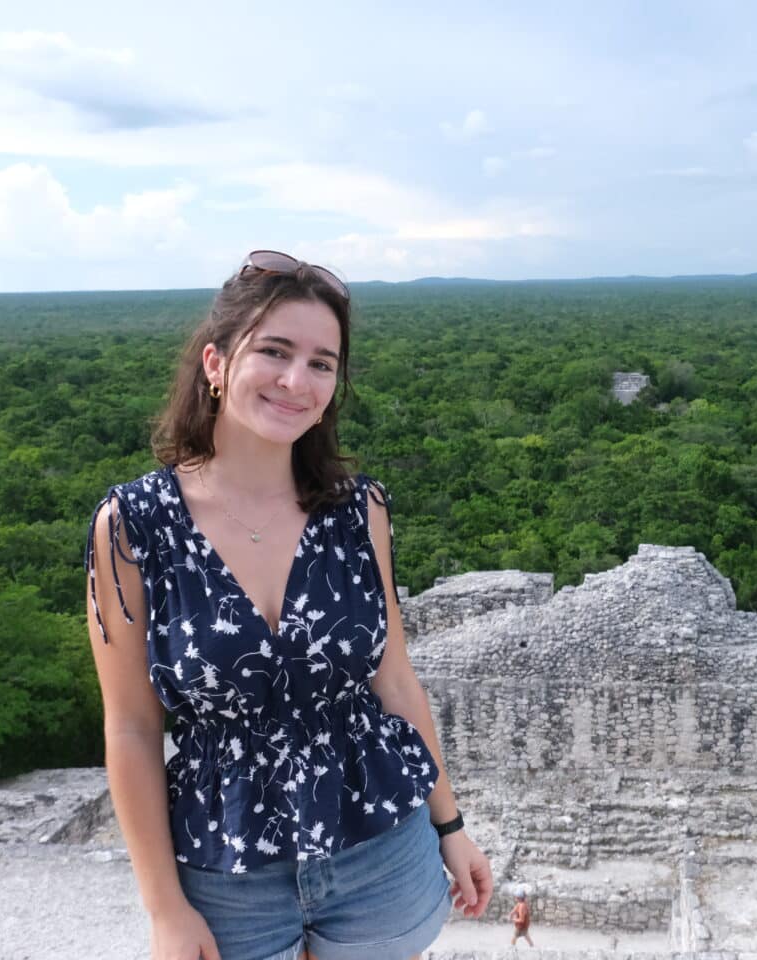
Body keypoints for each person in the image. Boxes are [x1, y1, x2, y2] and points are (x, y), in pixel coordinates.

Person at [85, 250, 492, 960]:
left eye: (322, 362)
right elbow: (130, 729)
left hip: (381, 850)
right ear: (214, 363)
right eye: (274, 351)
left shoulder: (357, 511)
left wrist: (449, 825)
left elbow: (394, 681)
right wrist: (164, 910)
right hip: (227, 870)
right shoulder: (134, 525)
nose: (296, 381)